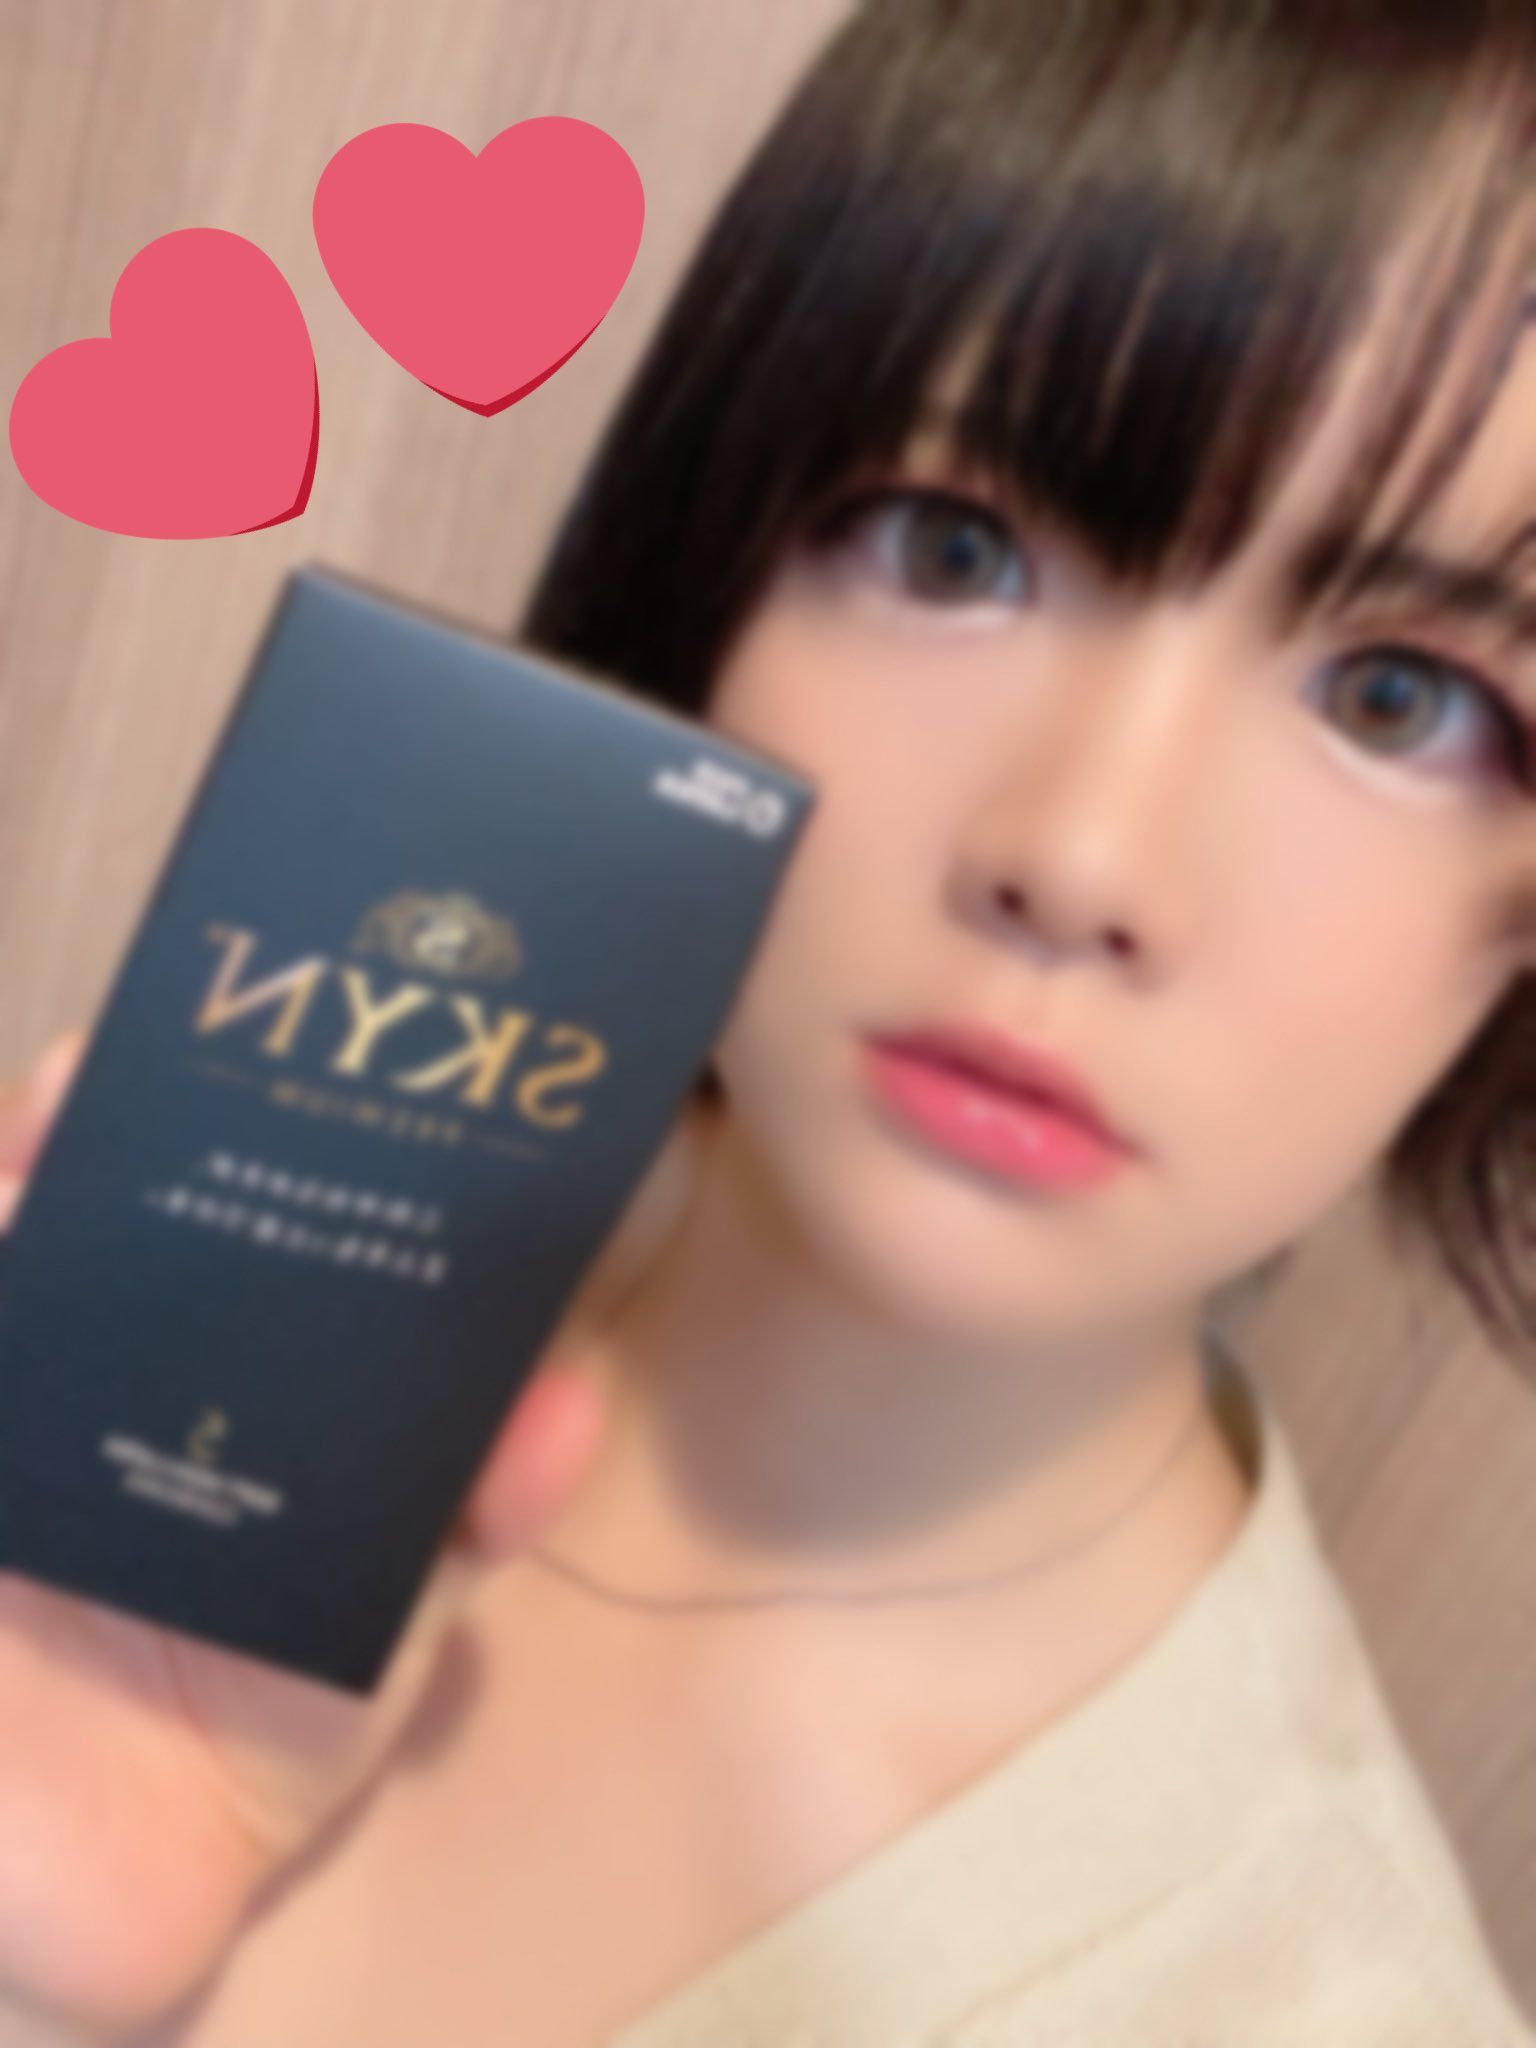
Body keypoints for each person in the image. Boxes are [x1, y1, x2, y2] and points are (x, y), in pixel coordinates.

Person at [2, 0, 1535, 2041]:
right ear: (713, 550)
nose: (1080, 854)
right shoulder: (236, 1243)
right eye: (955, 547)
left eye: (1400, 703)